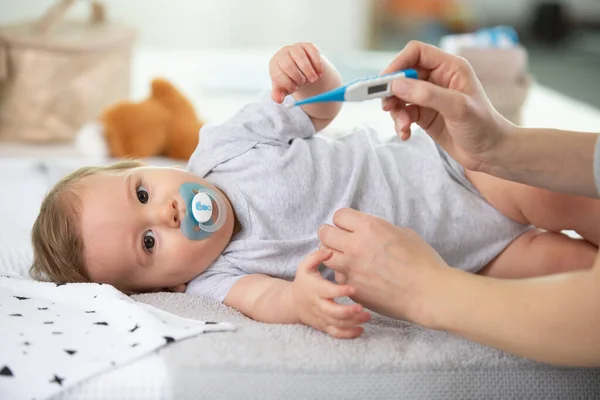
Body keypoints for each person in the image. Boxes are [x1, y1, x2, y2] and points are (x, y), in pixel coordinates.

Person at [30, 42, 599, 340]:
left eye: (142, 194)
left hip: (458, 172)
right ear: (170, 285)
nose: (169, 213)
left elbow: (319, 110)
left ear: (148, 166)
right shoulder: (217, 279)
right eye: (148, 244)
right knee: (569, 277)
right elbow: (272, 301)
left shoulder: (224, 149)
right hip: (476, 262)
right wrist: (302, 302)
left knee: (562, 197)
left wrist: (307, 71)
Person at [317, 40, 600, 365]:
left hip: (457, 176)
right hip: (471, 255)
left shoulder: (244, 144)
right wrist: (501, 146)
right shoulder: (242, 263)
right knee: (560, 266)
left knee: (557, 199)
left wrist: (424, 289)